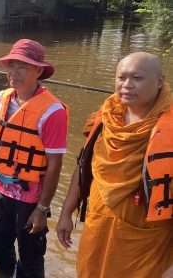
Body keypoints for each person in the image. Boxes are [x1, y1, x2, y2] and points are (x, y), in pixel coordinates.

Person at [56, 52, 173, 278]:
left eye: (137, 78)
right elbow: (84, 167)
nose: (127, 85)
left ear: (160, 81)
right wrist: (66, 213)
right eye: (121, 78)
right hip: (97, 227)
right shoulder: (105, 118)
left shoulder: (168, 129)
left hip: (145, 241)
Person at [0, 39, 68, 278]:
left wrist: (42, 209)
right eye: (11, 65)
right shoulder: (1, 99)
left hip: (30, 197)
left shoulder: (53, 111)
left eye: (22, 67)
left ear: (38, 70)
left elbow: (55, 164)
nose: (13, 73)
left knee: (30, 258)